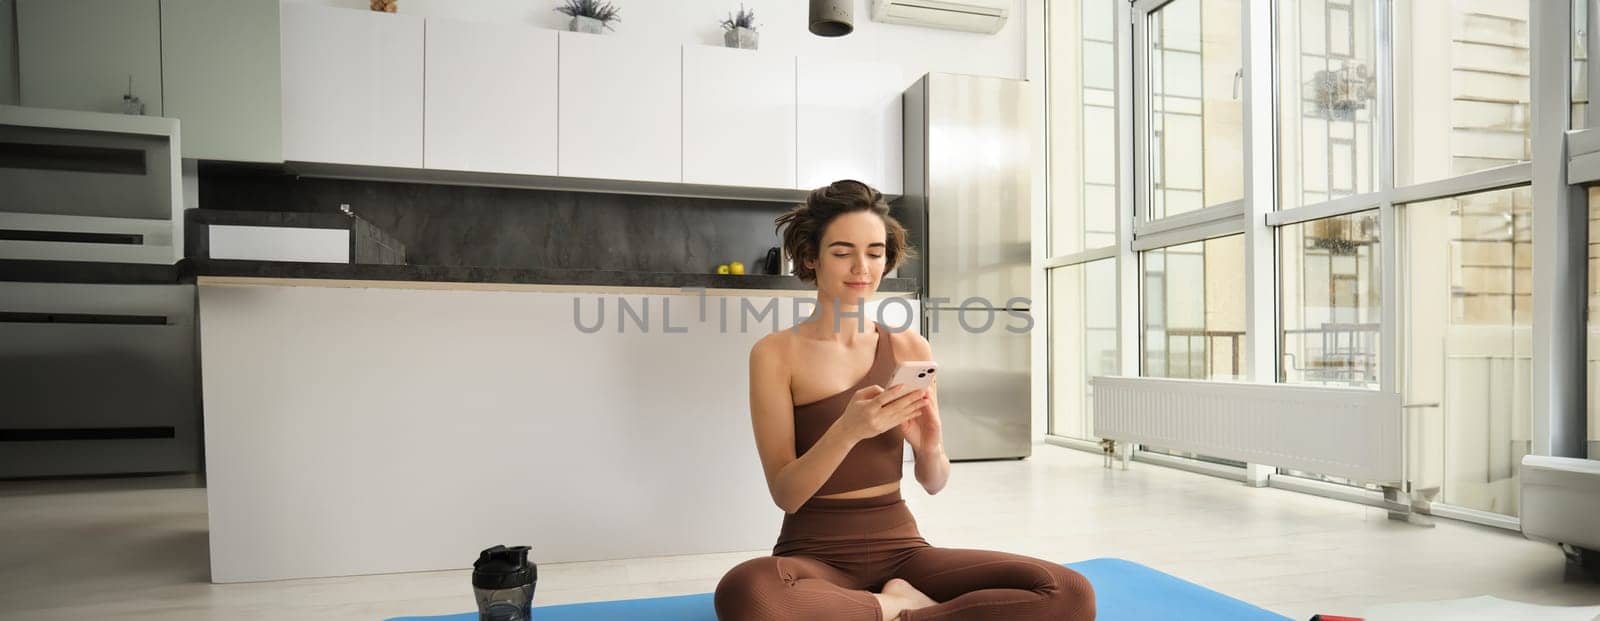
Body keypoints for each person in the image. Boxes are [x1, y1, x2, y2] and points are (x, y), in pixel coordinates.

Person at [713, 180, 1096, 620]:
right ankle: (901, 606)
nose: (862, 267)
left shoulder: (911, 347)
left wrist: (929, 445)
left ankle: (885, 610)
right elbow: (787, 494)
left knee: (1069, 591)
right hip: (814, 554)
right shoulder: (775, 354)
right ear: (810, 257)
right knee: (747, 593)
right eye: (842, 252)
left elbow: (933, 482)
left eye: (875, 253)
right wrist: (848, 430)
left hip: (903, 549)